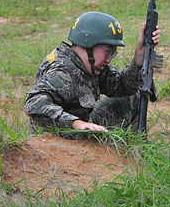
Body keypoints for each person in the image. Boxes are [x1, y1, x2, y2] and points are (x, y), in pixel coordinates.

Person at [24, 11, 162, 133]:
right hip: (58, 137)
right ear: (88, 44)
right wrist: (75, 123)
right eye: (108, 51)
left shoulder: (89, 65)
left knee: (133, 96)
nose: (108, 60)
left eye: (113, 53)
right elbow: (34, 103)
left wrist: (139, 57)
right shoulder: (62, 72)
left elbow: (123, 86)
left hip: (81, 128)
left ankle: (131, 153)